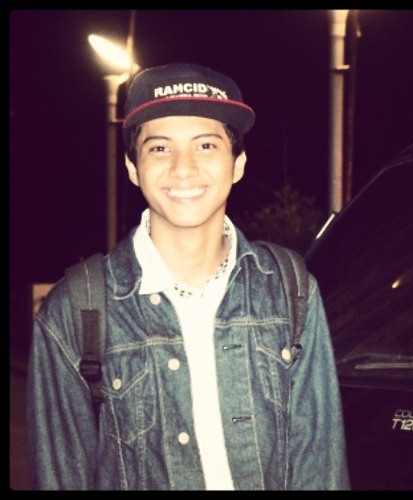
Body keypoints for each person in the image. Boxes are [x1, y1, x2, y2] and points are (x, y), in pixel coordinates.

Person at [26, 62, 350, 490]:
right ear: (133, 167)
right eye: (160, 148)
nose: (183, 168)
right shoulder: (76, 309)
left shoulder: (289, 289)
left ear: (237, 164)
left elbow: (321, 467)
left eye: (206, 145)